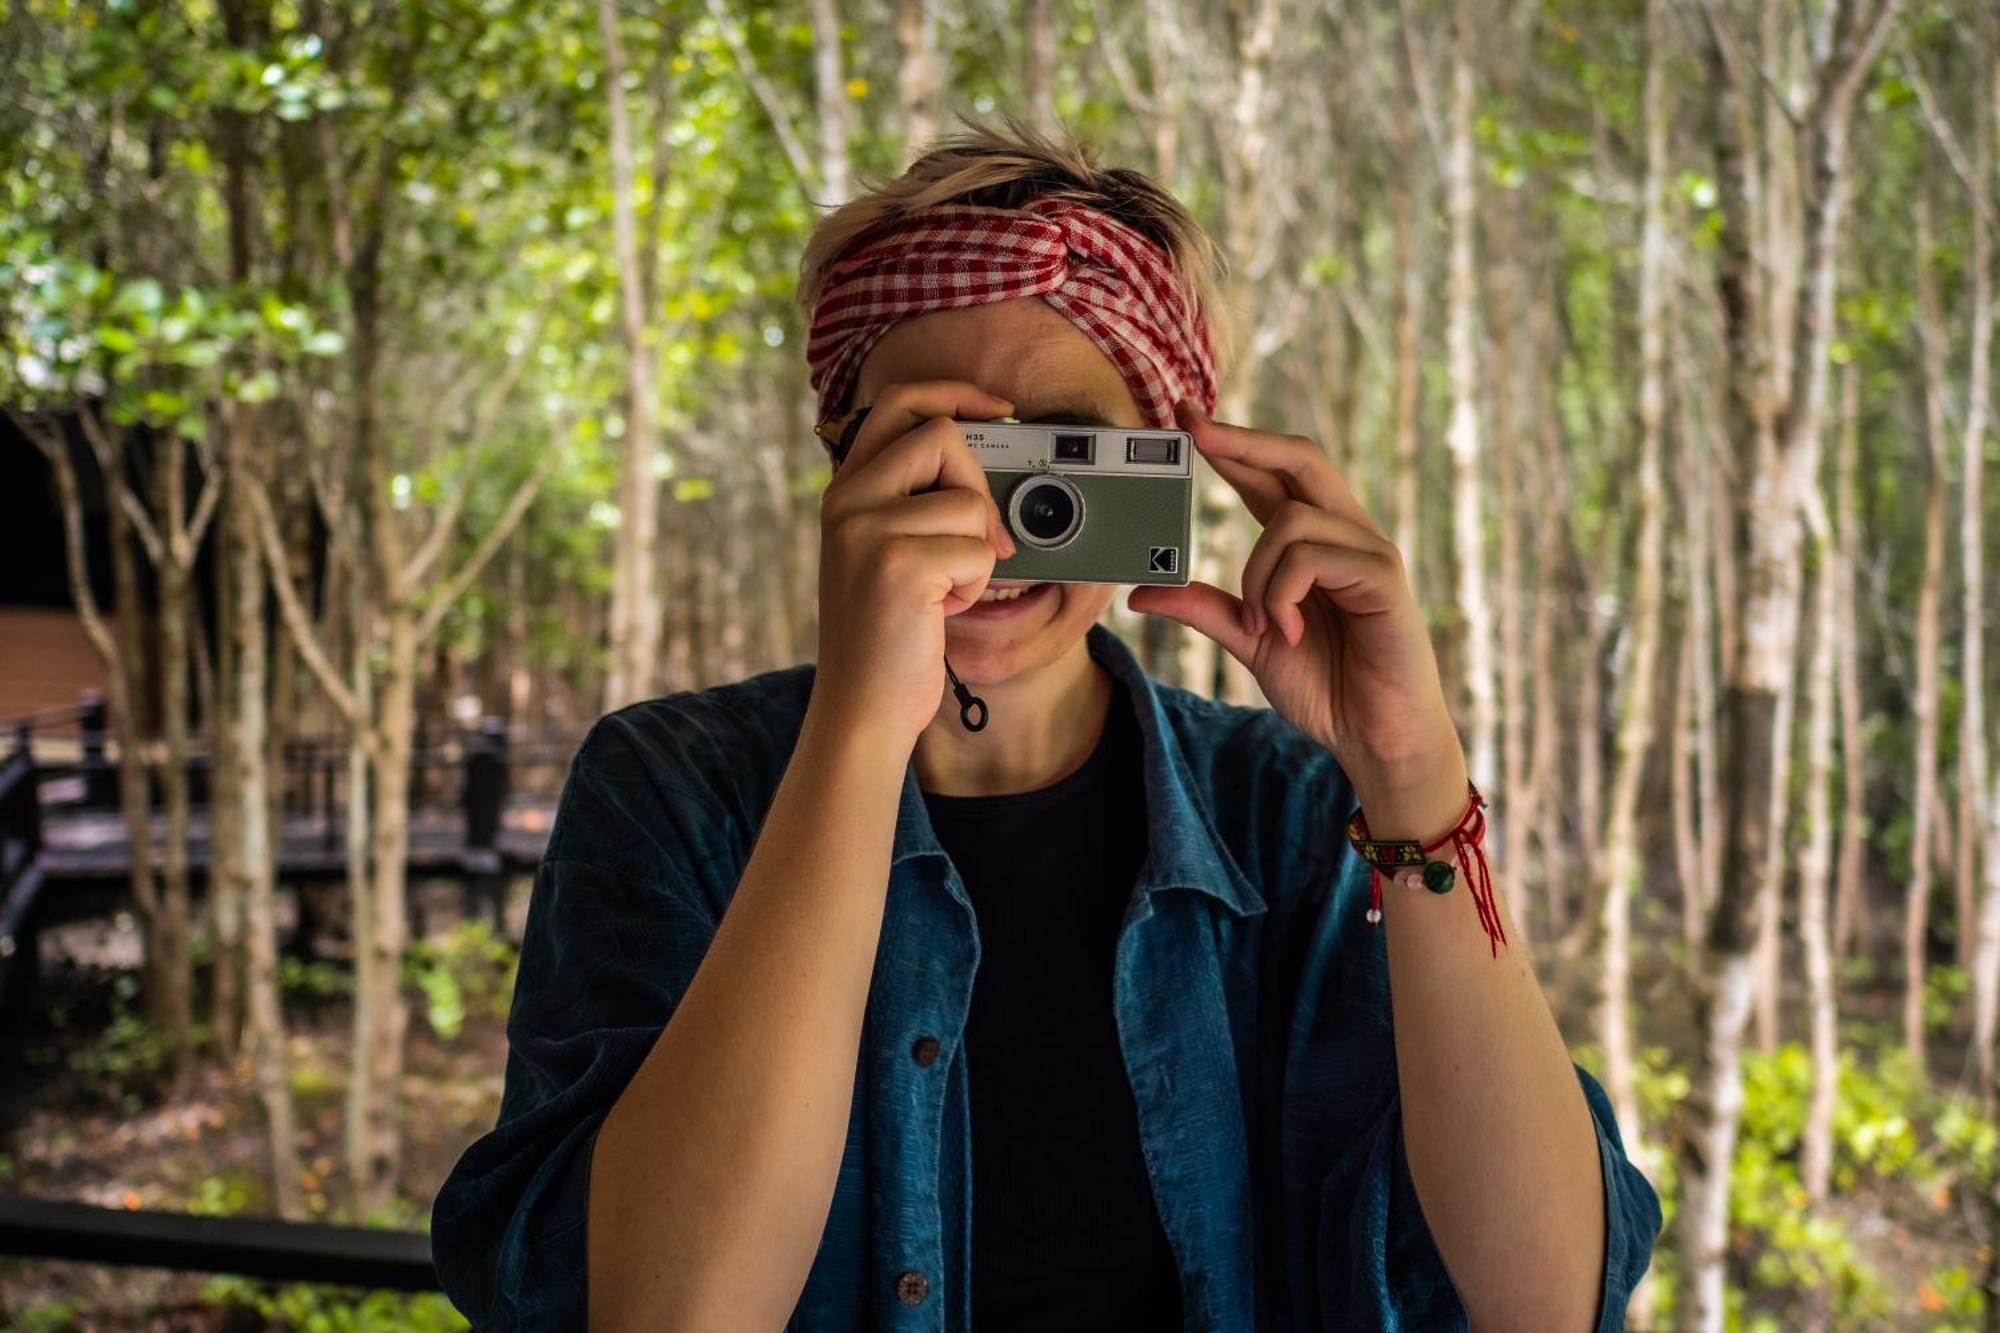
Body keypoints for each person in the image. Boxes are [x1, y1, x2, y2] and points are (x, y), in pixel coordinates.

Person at [431, 112, 1662, 1332]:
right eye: (934, 444)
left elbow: (1543, 1299)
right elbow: (658, 1312)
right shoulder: (674, 788)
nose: (995, 517)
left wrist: (1408, 767)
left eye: (1063, 454)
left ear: (1161, 472)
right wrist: (862, 726)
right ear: (840, 463)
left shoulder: (1285, 812)